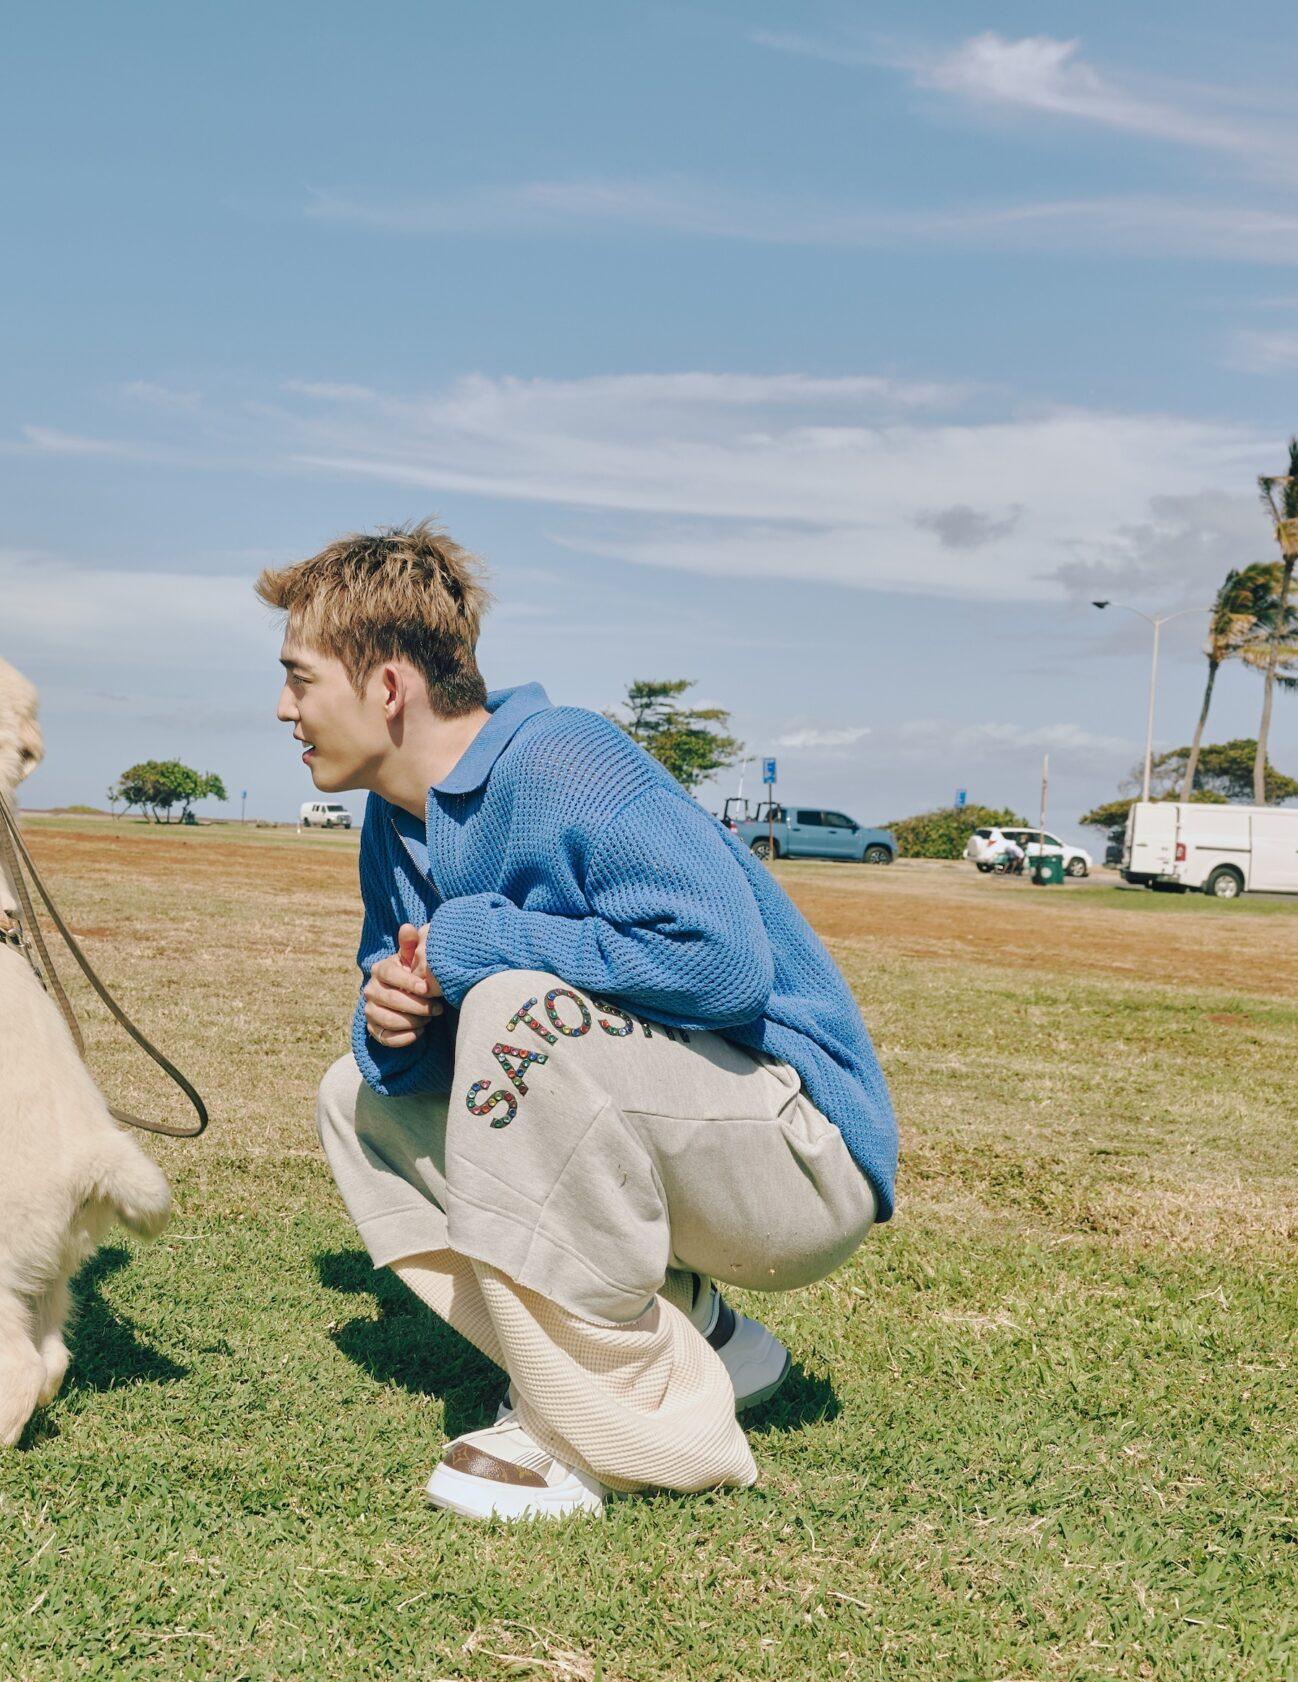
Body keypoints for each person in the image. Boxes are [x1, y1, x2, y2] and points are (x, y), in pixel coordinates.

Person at [260, 524, 897, 1519]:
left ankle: (604, 1431)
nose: (283, 709)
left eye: (299, 679)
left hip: (801, 1156)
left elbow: (723, 965)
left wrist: (477, 946)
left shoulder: (565, 761)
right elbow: (424, 1008)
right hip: (683, 1145)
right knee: (355, 1098)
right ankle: (694, 1338)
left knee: (520, 1011)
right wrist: (392, 1023)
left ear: (386, 687)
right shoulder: (394, 821)